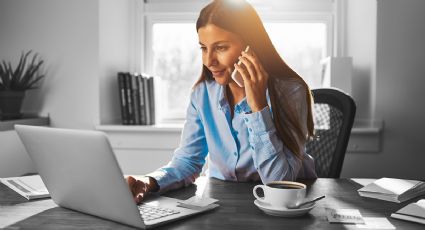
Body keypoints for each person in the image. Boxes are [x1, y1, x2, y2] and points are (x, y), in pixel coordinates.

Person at [127, 0, 317, 203]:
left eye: (220, 48)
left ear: (250, 47)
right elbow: (188, 161)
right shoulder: (202, 94)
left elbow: (279, 183)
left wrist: (258, 106)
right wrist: (148, 181)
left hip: (284, 207)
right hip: (221, 203)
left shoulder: (289, 91)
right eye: (203, 48)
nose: (209, 61)